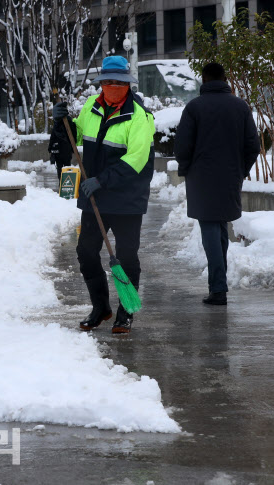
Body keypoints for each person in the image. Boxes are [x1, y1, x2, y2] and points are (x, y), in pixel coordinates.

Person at [53, 55, 155, 334]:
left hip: (126, 199)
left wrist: (103, 180)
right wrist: (62, 124)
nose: (112, 86)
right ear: (101, 84)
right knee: (86, 252)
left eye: (118, 82)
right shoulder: (91, 106)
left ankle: (126, 311)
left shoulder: (139, 117)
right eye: (107, 82)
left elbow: (136, 159)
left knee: (126, 256)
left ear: (127, 83)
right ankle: (101, 307)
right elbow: (76, 137)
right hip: (94, 197)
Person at [174, 62, 260, 305]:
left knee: (211, 228)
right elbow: (253, 146)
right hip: (230, 176)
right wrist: (240, 171)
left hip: (201, 178)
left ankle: (218, 289)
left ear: (204, 80)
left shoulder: (194, 107)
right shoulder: (240, 106)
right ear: (224, 79)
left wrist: (186, 168)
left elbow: (181, 146)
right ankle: (217, 286)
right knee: (220, 226)